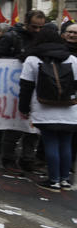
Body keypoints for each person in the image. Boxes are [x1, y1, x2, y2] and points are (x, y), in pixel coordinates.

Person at [18, 27, 77, 191]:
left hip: (44, 108)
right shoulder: (72, 58)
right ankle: (65, 179)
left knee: (50, 142)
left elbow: (26, 87)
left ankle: (53, 180)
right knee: (66, 144)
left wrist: (23, 108)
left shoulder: (32, 59)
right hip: (70, 109)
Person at [0, 9, 46, 174]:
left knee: (33, 128)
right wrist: (18, 59)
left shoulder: (41, 38)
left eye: (40, 27)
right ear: (25, 22)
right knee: (14, 126)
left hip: (35, 89)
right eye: (34, 27)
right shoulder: (11, 37)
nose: (37, 30)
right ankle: (8, 160)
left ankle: (27, 159)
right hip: (14, 89)